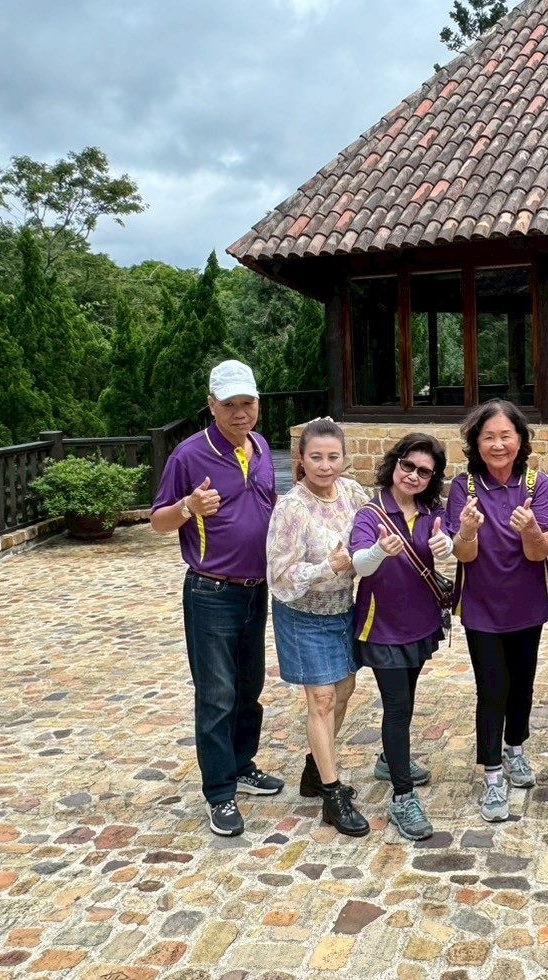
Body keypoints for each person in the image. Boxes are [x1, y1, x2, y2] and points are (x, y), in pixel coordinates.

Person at [150, 359, 282, 838]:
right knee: (217, 694)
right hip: (211, 592)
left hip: (256, 588)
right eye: (229, 405)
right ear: (211, 406)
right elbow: (158, 520)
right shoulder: (188, 456)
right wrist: (188, 507)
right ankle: (220, 792)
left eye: (248, 403)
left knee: (249, 686)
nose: (240, 413)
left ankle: (242, 765)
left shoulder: (260, 447)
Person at [446, 400, 548, 823]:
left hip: (527, 602)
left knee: (522, 684)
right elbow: (464, 554)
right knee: (492, 688)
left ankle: (515, 748)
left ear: (520, 439)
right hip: (482, 606)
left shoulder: (536, 483)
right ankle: (492, 774)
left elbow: (539, 552)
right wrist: (467, 530)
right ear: (476, 443)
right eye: (488, 437)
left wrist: (530, 528)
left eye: (505, 436)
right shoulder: (465, 488)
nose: (497, 445)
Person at [265, 418, 370, 837]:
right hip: (302, 613)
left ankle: (314, 767)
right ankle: (332, 793)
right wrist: (328, 566)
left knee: (344, 691)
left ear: (344, 458)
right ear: (301, 459)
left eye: (333, 457)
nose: (325, 466)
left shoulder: (353, 493)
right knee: (322, 699)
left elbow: (377, 528)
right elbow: (279, 576)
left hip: (344, 608)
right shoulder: (291, 507)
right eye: (316, 457)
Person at [349, 432, 450, 841]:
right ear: (394, 463)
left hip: (420, 622)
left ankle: (390, 760)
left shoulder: (432, 512)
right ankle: (402, 796)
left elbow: (450, 543)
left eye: (424, 471)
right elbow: (360, 564)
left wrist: (446, 545)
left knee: (406, 698)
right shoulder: (371, 513)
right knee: (397, 705)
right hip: (382, 626)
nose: (413, 475)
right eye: (408, 465)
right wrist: (379, 551)